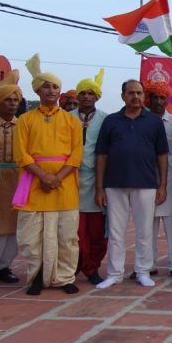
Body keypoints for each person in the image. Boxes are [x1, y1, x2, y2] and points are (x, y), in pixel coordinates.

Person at [13, 55, 82, 295]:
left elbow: (76, 156)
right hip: (34, 184)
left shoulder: (72, 122)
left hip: (65, 186)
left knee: (66, 236)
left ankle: (64, 277)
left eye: (55, 86)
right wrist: (43, 176)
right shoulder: (25, 119)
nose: (51, 90)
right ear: (37, 90)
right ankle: (36, 277)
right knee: (32, 237)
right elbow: (21, 155)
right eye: (47, 86)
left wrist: (57, 178)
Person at [94, 80, 169, 289]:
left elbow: (162, 155)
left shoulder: (154, 121)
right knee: (116, 232)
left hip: (146, 183)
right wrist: (99, 188)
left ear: (143, 96)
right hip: (114, 183)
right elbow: (101, 155)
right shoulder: (111, 121)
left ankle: (142, 271)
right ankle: (114, 273)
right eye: (131, 93)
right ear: (123, 96)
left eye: (139, 93)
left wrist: (162, 185)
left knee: (144, 231)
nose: (135, 97)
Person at [143, 80, 172, 280]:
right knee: (148, 225)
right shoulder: (141, 121)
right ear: (148, 99)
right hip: (146, 179)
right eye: (155, 97)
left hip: (169, 180)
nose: (159, 101)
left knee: (171, 225)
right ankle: (148, 264)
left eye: (162, 98)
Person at [71, 69, 109, 285]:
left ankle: (92, 267)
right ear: (77, 96)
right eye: (82, 93)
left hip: (97, 181)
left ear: (96, 96)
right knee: (74, 231)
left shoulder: (106, 119)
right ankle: (73, 266)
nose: (86, 97)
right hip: (71, 179)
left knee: (96, 231)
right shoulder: (66, 118)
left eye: (90, 93)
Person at [0, 70, 22, 283]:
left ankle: (4, 266)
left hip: (16, 180)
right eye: (7, 100)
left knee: (13, 226)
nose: (12, 104)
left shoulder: (23, 126)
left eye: (16, 100)